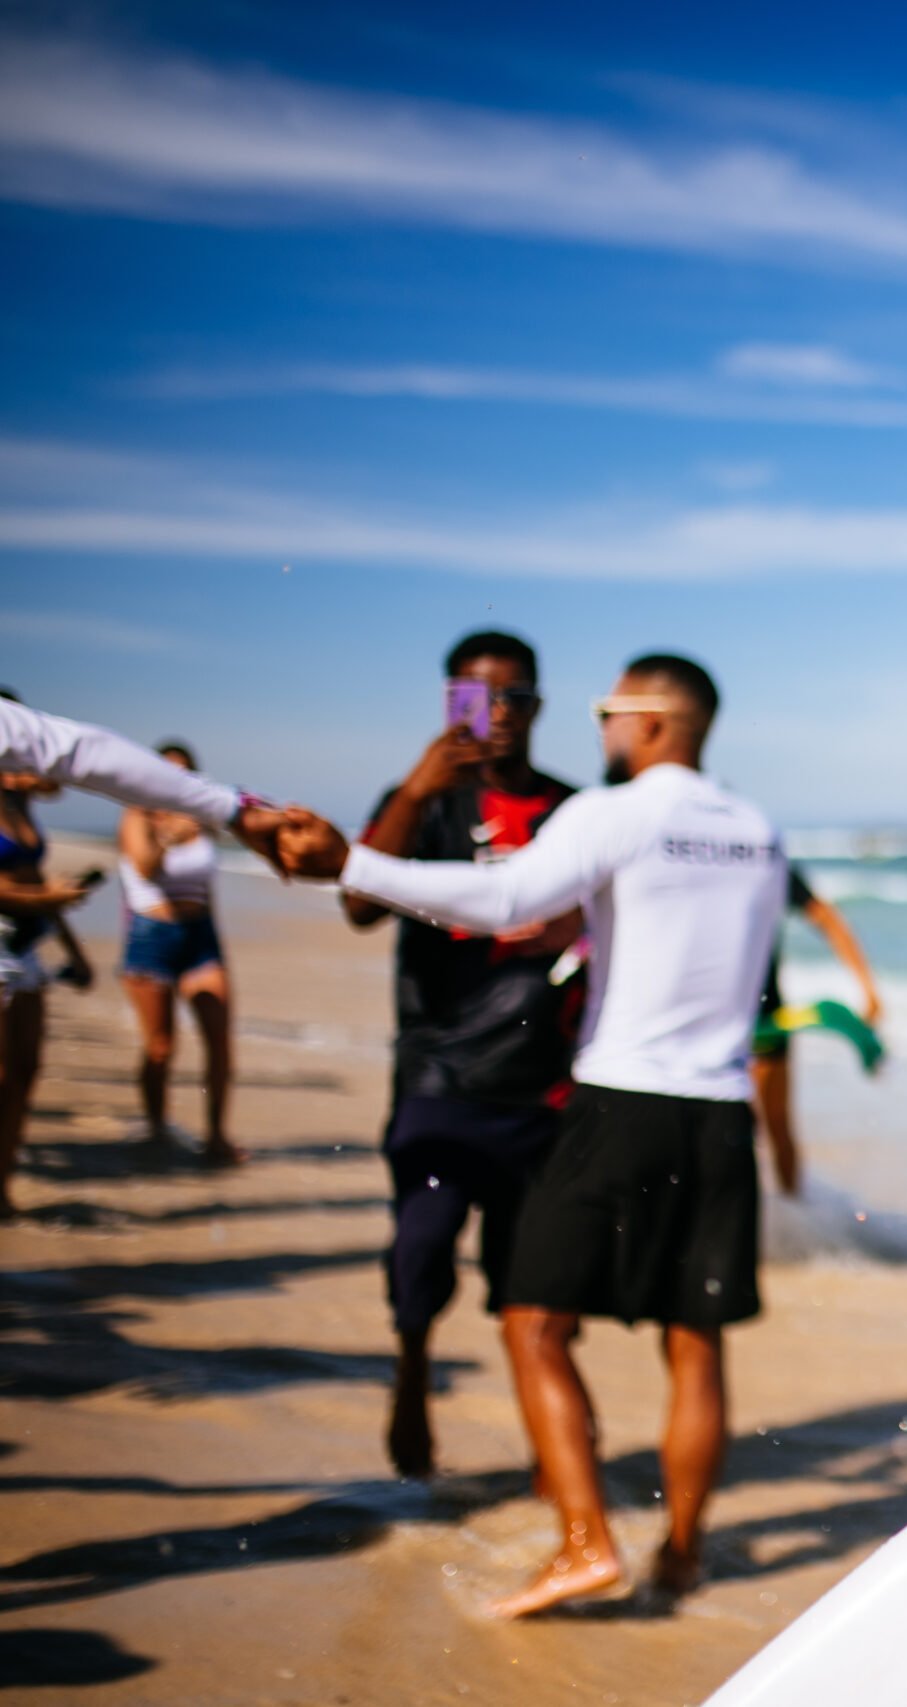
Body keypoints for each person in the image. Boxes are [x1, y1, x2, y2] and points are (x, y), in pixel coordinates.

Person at [274, 654, 786, 1617]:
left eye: (607, 711)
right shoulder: (758, 831)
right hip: (720, 1116)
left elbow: (507, 901)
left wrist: (350, 861)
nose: (600, 732)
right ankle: (682, 1557)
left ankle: (585, 1543)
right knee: (696, 1344)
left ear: (651, 722)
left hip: (619, 1101)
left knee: (532, 1320)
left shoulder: (612, 809)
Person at [339, 632, 585, 1479]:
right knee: (422, 1245)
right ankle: (412, 1367)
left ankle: (552, 1460)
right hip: (439, 1072)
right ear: (449, 703)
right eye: (476, 699)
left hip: (542, 1085)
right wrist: (415, 789)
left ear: (539, 705)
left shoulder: (572, 810)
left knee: (534, 1289)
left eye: (513, 697)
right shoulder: (423, 804)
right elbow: (359, 906)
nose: (497, 715)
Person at [119, 742, 242, 1168]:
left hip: (200, 936)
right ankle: (156, 1126)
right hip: (152, 934)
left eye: (184, 773)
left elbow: (207, 884)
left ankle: (216, 1137)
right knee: (161, 1046)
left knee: (221, 1042)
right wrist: (170, 833)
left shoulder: (202, 821)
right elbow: (145, 867)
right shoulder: (137, 815)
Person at [0, 693, 290, 859]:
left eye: (183, 773)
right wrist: (235, 810)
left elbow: (80, 754)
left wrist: (234, 810)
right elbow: (84, 753)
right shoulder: (139, 815)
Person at [749, 864, 885, 1199]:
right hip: (730, 1017)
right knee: (749, 1131)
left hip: (763, 1018)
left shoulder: (760, 858)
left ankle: (793, 1226)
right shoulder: (755, 856)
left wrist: (868, 988)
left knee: (772, 1128)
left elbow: (825, 917)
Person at [0, 753, 98, 1217]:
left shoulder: (20, 807)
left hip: (28, 944)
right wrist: (45, 897)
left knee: (25, 1071)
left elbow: (37, 880)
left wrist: (74, 950)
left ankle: (4, 1184)